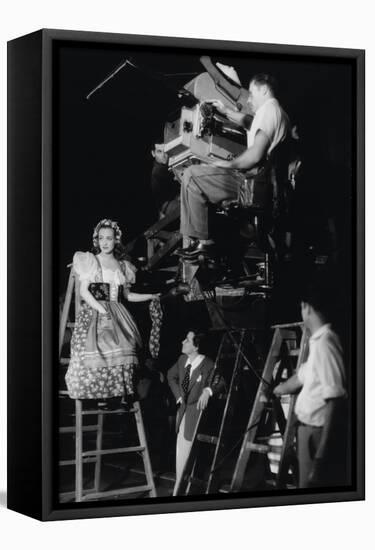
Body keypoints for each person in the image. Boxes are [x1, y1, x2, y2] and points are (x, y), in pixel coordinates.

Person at [177, 73, 290, 260]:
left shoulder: (269, 110)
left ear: (264, 90)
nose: (250, 98)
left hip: (253, 186)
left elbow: (254, 155)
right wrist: (225, 110)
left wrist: (228, 165)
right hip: (264, 188)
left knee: (191, 176)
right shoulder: (277, 112)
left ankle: (203, 244)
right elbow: (249, 122)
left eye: (252, 93)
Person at [65, 218, 160, 407]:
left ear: (116, 239)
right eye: (101, 238)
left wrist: (150, 296)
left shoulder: (122, 265)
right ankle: (103, 392)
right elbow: (84, 291)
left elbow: (128, 295)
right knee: (102, 344)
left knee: (128, 343)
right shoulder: (92, 261)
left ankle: (120, 391)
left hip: (117, 309)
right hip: (96, 310)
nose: (105, 242)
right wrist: (101, 310)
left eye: (109, 238)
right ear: (97, 240)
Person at [273, 282, 347, 488]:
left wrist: (321, 455)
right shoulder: (318, 343)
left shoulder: (325, 343)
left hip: (317, 435)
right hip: (308, 433)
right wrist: (277, 389)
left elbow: (335, 399)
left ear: (307, 307)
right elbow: (300, 378)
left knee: (313, 491)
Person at [167, 330, 224, 495]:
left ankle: (185, 490)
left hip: (197, 415)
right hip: (183, 413)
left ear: (197, 346)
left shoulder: (207, 364)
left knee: (192, 456)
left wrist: (208, 391)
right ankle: (179, 488)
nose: (183, 341)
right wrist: (178, 397)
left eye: (187, 340)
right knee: (181, 454)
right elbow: (171, 376)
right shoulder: (182, 359)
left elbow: (220, 380)